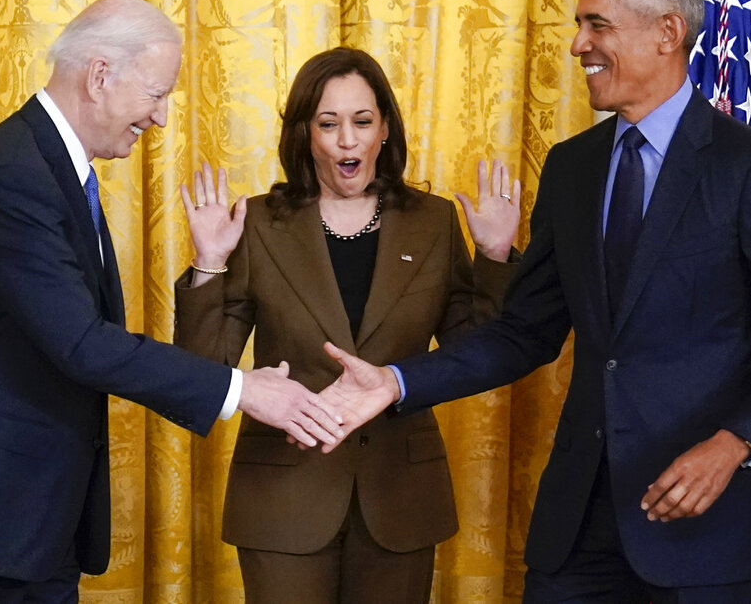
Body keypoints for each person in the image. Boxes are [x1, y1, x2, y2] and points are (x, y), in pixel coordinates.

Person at [315, 0, 751, 604]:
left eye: (597, 26)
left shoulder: (750, 167)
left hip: (708, 525)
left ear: (667, 33)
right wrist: (397, 381)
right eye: (576, 25)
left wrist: (735, 444)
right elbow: (523, 332)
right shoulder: (573, 168)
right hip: (578, 527)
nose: (576, 45)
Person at [0, 0, 343, 604]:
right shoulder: (14, 174)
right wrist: (245, 390)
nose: (161, 118)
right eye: (157, 94)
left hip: (27, 525)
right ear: (101, 76)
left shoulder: (53, 166)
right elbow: (82, 343)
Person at [173, 46, 521, 603]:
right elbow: (202, 371)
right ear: (306, 134)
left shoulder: (432, 222)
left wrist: (496, 256)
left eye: (362, 121)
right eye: (328, 123)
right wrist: (210, 261)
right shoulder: (258, 222)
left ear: (385, 128)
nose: (347, 140)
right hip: (283, 497)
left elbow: (473, 355)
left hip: (401, 498)